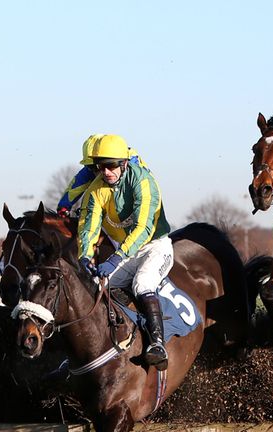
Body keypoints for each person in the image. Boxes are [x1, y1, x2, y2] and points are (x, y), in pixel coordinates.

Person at [76, 134, 173, 370]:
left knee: (142, 283)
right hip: (126, 253)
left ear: (124, 163)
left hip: (155, 247)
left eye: (111, 166)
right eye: (101, 166)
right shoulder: (96, 189)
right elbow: (88, 226)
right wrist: (85, 257)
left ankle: (157, 344)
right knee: (95, 285)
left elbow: (144, 227)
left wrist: (117, 257)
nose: (106, 172)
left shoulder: (143, 181)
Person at [57, 134, 147, 216]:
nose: (101, 171)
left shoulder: (132, 164)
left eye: (108, 165)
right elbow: (74, 188)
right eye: (93, 167)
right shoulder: (90, 170)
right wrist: (63, 207)